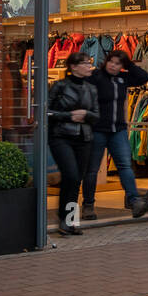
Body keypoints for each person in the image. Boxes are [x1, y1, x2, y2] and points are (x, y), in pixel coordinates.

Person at [84, 48, 148, 220]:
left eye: (118, 64)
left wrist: (129, 64)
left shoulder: (122, 79)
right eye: (111, 62)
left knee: (125, 166)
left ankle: (134, 201)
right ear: (106, 61)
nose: (114, 66)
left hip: (118, 130)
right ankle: (88, 205)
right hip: (98, 130)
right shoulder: (96, 77)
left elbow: (145, 77)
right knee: (92, 170)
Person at [48, 51, 99, 236]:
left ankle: (69, 222)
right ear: (73, 66)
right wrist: (69, 116)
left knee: (76, 179)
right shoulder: (59, 86)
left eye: (89, 63)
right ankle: (64, 218)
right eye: (85, 63)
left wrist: (85, 115)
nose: (89, 66)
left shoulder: (91, 89)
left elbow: (96, 115)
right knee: (70, 175)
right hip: (61, 136)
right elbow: (46, 111)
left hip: (84, 138)